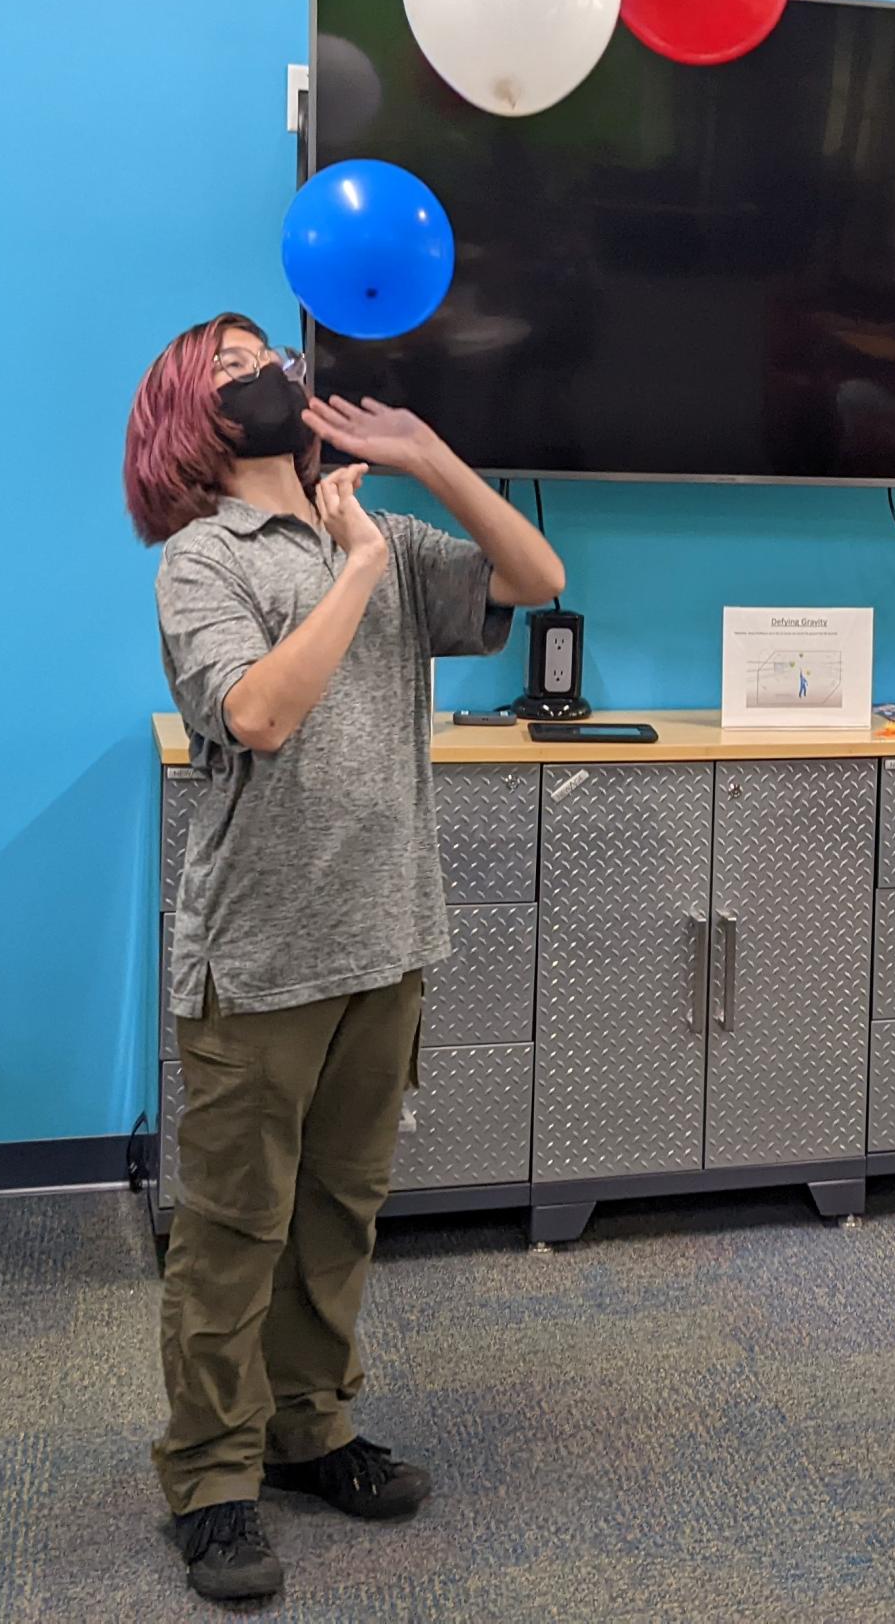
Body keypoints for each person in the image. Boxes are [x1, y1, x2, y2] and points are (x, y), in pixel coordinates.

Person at [123, 311, 564, 1604]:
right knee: (232, 1229)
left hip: (387, 933)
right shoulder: (204, 560)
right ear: (193, 424)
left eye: (269, 356)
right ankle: (210, 1478)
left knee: (337, 1214)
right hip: (257, 957)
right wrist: (358, 568)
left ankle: (308, 1429)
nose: (269, 376)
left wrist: (428, 460)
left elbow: (534, 578)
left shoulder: (383, 523)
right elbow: (255, 712)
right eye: (233, 371)